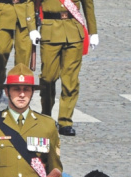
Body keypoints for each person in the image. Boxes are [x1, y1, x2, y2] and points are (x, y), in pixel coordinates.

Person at [36, 0, 97, 137]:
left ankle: (65, 121)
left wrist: (93, 32)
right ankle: (46, 116)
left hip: (73, 29)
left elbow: (88, 4)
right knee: (47, 78)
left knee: (70, 80)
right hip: (49, 29)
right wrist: (31, 28)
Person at [0, 0, 36, 102]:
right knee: (0, 51)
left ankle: (19, 88)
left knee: (23, 56)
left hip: (24, 10)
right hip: (2, 9)